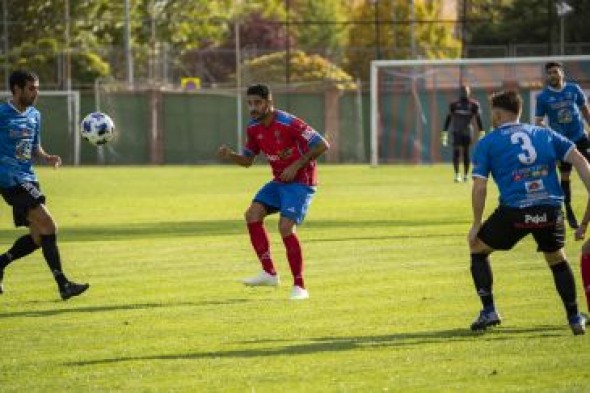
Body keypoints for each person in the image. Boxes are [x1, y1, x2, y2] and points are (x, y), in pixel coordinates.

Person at [468, 90, 587, 335]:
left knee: (477, 248)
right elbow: (579, 159)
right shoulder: (543, 133)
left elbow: (480, 187)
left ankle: (489, 310)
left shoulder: (487, 142)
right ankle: (574, 317)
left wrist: (476, 223)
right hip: (550, 210)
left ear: (499, 114)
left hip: (515, 213)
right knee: (556, 259)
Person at [217, 84, 329, 300]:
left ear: (269, 102)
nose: (253, 107)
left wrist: (296, 165)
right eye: (250, 103)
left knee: (285, 227)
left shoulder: (289, 122)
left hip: (301, 182)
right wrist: (231, 155)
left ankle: (300, 286)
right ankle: (269, 273)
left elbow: (322, 144)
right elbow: (248, 160)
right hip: (279, 182)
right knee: (252, 215)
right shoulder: (253, 128)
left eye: (257, 103)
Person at [0, 70, 89, 300]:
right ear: (17, 89)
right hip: (11, 180)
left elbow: (34, 146)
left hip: (29, 177)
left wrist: (47, 157)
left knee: (39, 237)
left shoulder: (35, 115)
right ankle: (63, 285)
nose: (36, 92)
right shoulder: (1, 113)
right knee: (50, 226)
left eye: (37, 88)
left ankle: (1, 263)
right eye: (31, 88)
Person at [534, 61, 590, 230]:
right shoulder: (543, 97)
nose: (552, 75)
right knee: (565, 177)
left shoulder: (574, 89)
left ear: (562, 73)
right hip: (562, 143)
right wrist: (552, 135)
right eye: (549, 73)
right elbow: (538, 122)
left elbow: (585, 110)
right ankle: (569, 210)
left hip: (580, 138)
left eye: (555, 72)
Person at [441, 84, 485, 183]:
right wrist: (444, 132)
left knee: (466, 153)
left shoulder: (474, 105)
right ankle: (457, 175)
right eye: (462, 91)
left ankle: (465, 175)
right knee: (456, 152)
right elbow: (448, 118)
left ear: (469, 92)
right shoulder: (454, 105)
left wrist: (482, 132)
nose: (464, 93)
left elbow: (478, 119)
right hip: (456, 131)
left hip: (467, 131)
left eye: (465, 91)